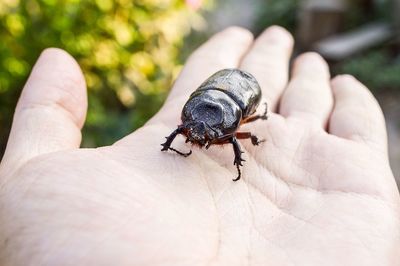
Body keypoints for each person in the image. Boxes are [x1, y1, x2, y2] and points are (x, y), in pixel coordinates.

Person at [0, 25, 399, 265]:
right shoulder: (195, 118)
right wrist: (170, 142)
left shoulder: (231, 126)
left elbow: (226, 134)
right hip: (218, 93)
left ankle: (251, 122)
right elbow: (185, 127)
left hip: (241, 95)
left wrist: (241, 140)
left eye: (204, 131)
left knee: (245, 128)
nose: (198, 133)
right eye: (189, 128)